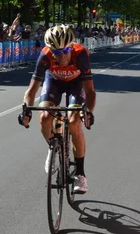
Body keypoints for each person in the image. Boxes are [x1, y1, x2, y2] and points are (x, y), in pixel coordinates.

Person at [18, 24, 96, 193]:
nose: (61, 56)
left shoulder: (81, 54)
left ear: (71, 47)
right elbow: (31, 90)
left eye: (64, 51)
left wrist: (88, 112)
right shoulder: (45, 55)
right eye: (56, 52)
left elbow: (90, 91)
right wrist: (26, 111)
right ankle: (54, 147)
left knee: (74, 121)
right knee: (45, 117)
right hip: (53, 82)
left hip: (75, 84)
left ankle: (80, 174)